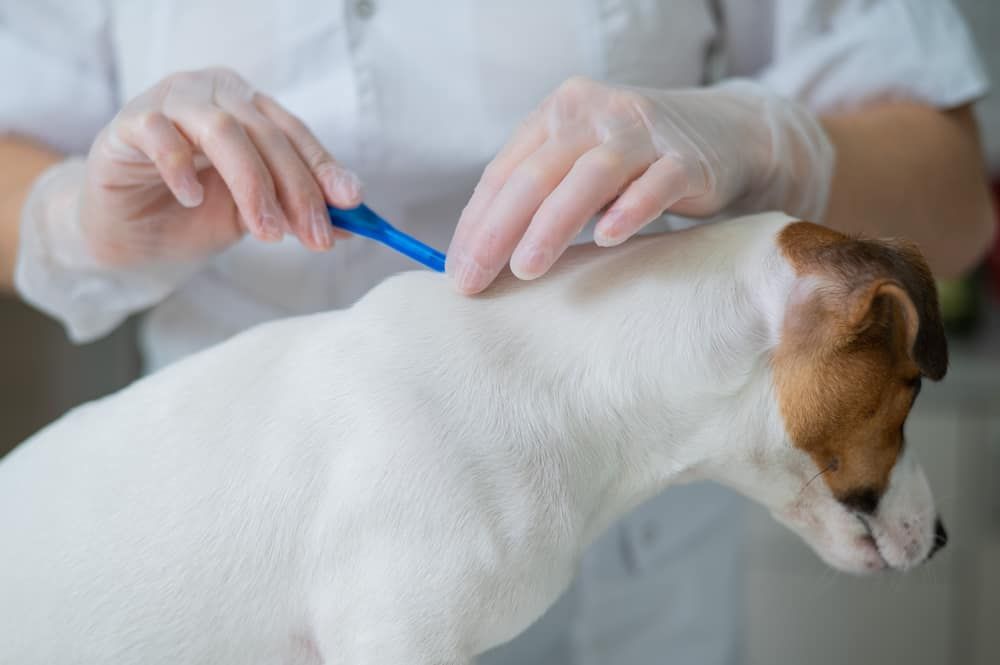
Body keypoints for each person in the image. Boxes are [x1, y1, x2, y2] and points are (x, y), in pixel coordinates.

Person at [0, 1, 994, 663]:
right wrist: (67, 215)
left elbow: (958, 190)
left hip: (635, 592)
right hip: (176, 544)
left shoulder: (826, 325)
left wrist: (774, 140)